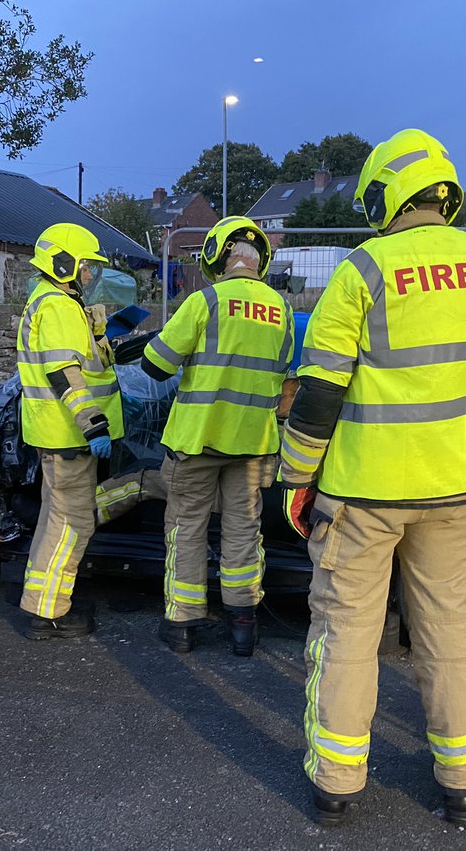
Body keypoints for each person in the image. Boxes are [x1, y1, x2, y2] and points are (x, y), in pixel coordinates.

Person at [278, 129, 466, 826]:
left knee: (347, 636)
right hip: (453, 492)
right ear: (440, 191)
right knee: (447, 634)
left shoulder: (362, 270)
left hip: (363, 496)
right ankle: (464, 776)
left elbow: (320, 392)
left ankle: (338, 784)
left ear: (385, 196)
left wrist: (295, 478)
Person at [141, 216, 294, 656]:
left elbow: (156, 365)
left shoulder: (205, 300)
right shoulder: (281, 309)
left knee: (187, 528)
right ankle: (243, 626)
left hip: (199, 439)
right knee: (244, 529)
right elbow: (282, 375)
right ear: (259, 259)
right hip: (253, 444)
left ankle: (182, 626)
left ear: (220, 254)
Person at [16, 223, 123, 639]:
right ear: (64, 263)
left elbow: (83, 362)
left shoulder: (54, 302)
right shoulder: (58, 306)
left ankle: (42, 603)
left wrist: (98, 332)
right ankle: (48, 614)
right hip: (69, 435)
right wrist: (93, 423)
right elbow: (64, 373)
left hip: (58, 435)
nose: (90, 275)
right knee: (71, 524)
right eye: (86, 266)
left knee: (56, 519)